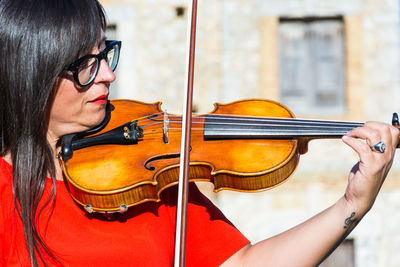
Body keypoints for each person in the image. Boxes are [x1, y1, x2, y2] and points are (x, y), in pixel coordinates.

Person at [0, 0, 398, 266]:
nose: (108, 74)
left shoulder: (146, 175)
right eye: (87, 64)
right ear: (32, 76)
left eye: (106, 53)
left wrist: (352, 204)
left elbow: (242, 263)